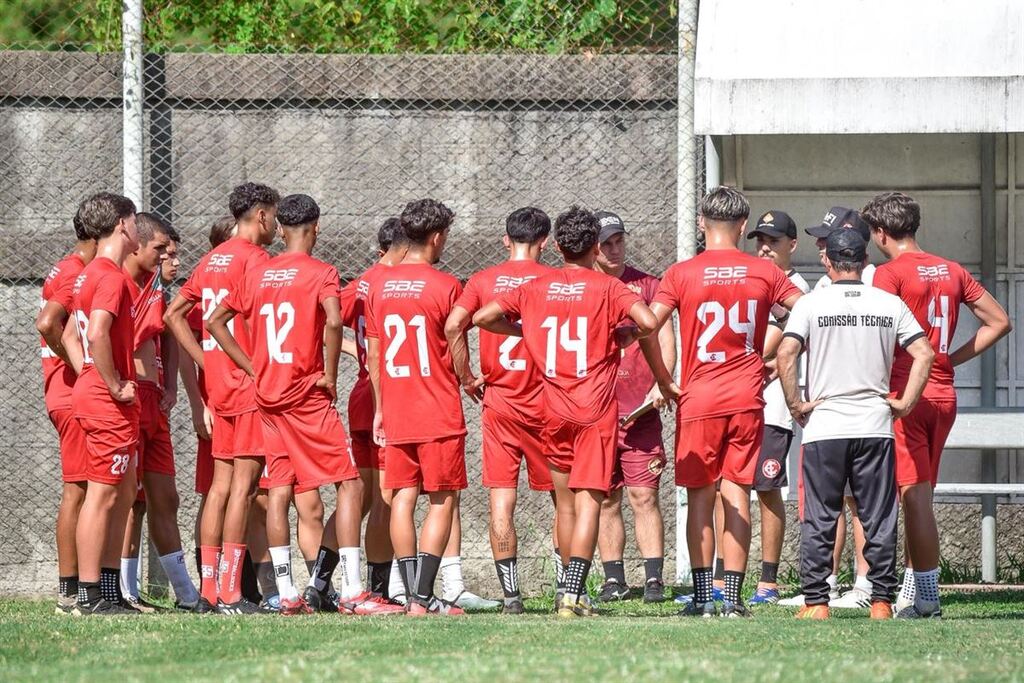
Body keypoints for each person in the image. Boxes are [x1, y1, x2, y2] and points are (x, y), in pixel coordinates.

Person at [208, 193, 400, 616]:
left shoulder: (258, 273)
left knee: (279, 489)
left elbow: (215, 321)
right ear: (315, 228)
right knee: (351, 485)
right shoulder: (322, 272)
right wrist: (329, 373)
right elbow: (333, 319)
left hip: (268, 397)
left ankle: (287, 592)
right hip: (307, 397)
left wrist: (253, 367)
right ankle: (353, 591)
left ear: (280, 229)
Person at [473, 205, 658, 618]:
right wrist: (623, 337)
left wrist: (523, 331)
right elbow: (648, 321)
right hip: (593, 411)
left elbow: (483, 317)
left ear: (557, 247)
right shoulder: (608, 287)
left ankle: (565, 593)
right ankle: (572, 594)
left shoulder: (537, 286)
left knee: (566, 503)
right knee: (590, 500)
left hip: (551, 409)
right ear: (596, 248)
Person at [643, 186, 803, 619]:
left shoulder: (681, 273)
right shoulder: (764, 272)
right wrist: (781, 356)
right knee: (737, 493)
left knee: (700, 498)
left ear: (701, 223)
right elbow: (807, 313)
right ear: (743, 225)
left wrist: (663, 379)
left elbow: (648, 326)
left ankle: (702, 598)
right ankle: (731, 597)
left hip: (699, 398)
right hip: (746, 397)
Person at [865, 191, 1011, 618]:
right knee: (921, 494)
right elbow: (1000, 321)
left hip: (906, 393)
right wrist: (949, 358)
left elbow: (877, 336)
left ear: (881, 232)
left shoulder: (889, 274)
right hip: (944, 393)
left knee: (913, 496)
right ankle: (913, 591)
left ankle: (928, 598)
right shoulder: (952, 269)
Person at [777, 228, 934, 620]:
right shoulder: (889, 303)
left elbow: (786, 352)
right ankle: (881, 601)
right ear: (865, 261)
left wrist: (796, 404)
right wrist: (905, 403)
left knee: (820, 515)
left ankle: (816, 602)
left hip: (825, 425)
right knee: (878, 515)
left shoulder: (811, 304)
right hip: (874, 424)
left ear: (828, 262)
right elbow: (924, 352)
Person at [164, 182, 279, 613]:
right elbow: (213, 321)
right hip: (247, 389)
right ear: (262, 215)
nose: (276, 226)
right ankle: (231, 592)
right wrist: (251, 367)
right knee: (244, 491)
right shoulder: (257, 260)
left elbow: (173, 314)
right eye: (274, 217)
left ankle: (211, 590)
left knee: (219, 487)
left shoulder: (212, 259)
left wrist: (209, 365)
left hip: (220, 389)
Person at [444, 206, 557, 614]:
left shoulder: (482, 280)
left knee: (501, 499)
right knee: (563, 499)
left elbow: (454, 325)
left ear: (506, 240)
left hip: (500, 404)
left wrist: (466, 376)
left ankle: (512, 597)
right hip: (547, 403)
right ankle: (567, 588)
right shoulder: (554, 281)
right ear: (545, 242)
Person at [366, 198, 467, 616]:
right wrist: (468, 377)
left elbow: (374, 355)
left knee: (402, 497)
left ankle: (411, 596)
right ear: (437, 237)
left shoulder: (379, 285)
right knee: (443, 500)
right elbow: (456, 341)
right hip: (437, 409)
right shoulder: (446, 286)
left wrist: (379, 409)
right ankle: (424, 597)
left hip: (396, 408)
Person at [59, 192, 140, 615]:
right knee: (102, 494)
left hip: (97, 393)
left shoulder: (89, 273)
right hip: (107, 400)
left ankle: (109, 589)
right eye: (134, 220)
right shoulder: (108, 276)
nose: (137, 228)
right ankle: (89, 595)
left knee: (123, 491)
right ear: (123, 224)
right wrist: (110, 383)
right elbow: (94, 334)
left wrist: (89, 373)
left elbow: (71, 335)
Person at [591, 210, 676, 604]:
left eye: (619, 240)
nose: (614, 249)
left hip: (640, 411)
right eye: (605, 244)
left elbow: (666, 340)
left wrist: (661, 383)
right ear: (592, 248)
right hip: (596, 413)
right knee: (607, 498)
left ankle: (654, 579)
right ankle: (614, 580)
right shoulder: (584, 286)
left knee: (645, 496)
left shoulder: (649, 285)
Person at [117, 213, 199, 611]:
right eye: (163, 249)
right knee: (126, 500)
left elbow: (167, 331)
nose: (170, 257)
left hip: (154, 401)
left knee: (165, 497)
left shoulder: (155, 288)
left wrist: (169, 387)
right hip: (128, 400)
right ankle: (120, 589)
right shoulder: (115, 282)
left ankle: (187, 595)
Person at [333, 217, 408, 606]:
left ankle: (319, 582)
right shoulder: (398, 284)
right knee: (384, 500)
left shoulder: (360, 283)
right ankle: (379, 589)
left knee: (357, 497)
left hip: (361, 395)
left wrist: (348, 349)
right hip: (386, 399)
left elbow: (325, 319)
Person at [743, 210, 810, 606]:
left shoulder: (797, 289)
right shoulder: (751, 282)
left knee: (767, 488)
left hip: (772, 407)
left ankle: (768, 581)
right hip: (739, 399)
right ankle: (722, 578)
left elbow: (770, 343)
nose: (765, 248)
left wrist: (749, 358)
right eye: (760, 241)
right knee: (727, 487)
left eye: (774, 241)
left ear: (792, 245)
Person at [35, 209, 96, 614]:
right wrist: (80, 365)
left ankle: (81, 588)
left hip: (68, 393)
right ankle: (69, 592)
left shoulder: (67, 267)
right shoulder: (75, 273)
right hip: (70, 394)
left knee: (85, 489)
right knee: (78, 491)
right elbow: (47, 324)